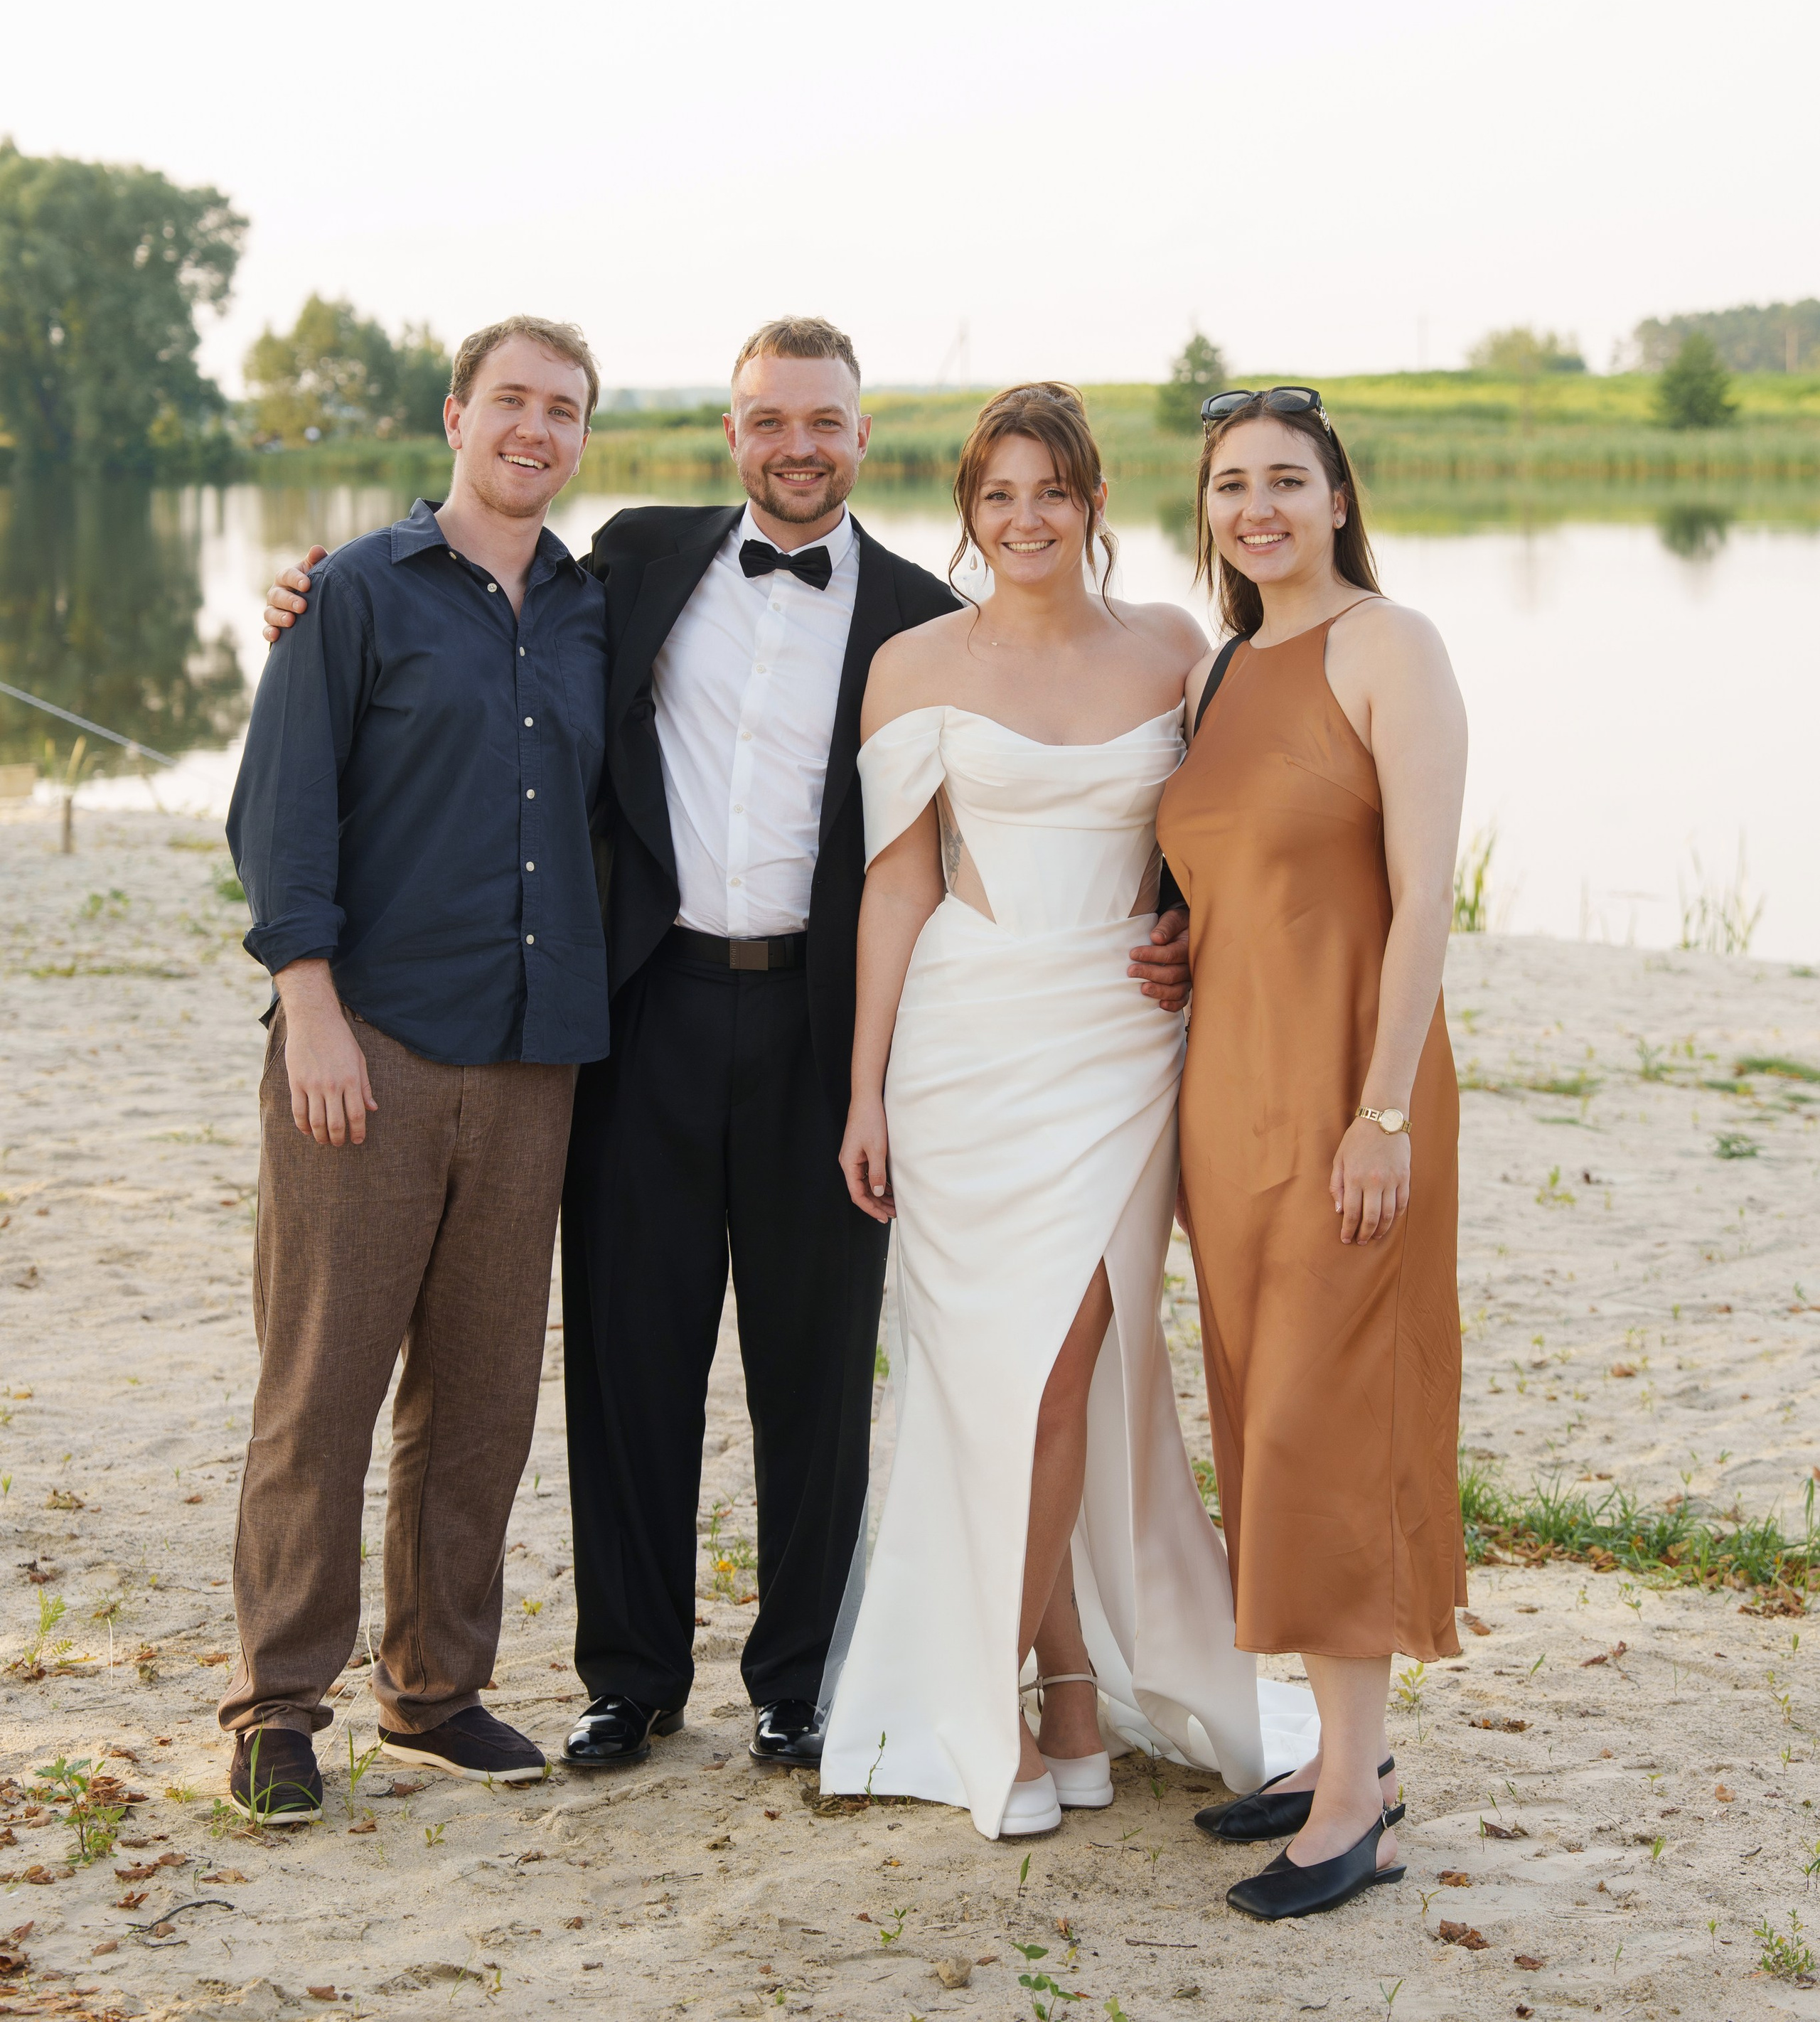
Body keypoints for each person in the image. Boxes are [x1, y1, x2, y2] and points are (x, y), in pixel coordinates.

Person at [262, 318, 1201, 1775]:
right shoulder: (631, 560)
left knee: (814, 1366)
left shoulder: (913, 615)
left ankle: (800, 1679)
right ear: (731, 432)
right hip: (638, 1010)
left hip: (829, 1024)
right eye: (769, 420)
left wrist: (1174, 916)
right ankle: (628, 1679)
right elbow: (468, 579)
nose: (796, 447)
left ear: (863, 439)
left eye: (822, 421)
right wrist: (316, 595)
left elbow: (1074, 793)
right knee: (628, 1353)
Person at [818, 385, 1313, 1840]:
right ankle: (1057, 1680)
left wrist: (1180, 923)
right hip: (965, 1044)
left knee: (1074, 1362)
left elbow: (1221, 831)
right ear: (967, 514)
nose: (1023, 519)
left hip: (1118, 1042)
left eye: (1050, 492)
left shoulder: (1171, 645)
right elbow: (897, 882)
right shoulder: (912, 665)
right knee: (996, 1379)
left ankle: (1062, 1681)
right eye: (994, 496)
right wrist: (862, 1087)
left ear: (1094, 503)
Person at [220, 316, 609, 1822]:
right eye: (509, 399)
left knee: (482, 1396)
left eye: (562, 409)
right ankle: (276, 1705)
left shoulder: (594, 605)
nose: (534, 427)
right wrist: (306, 1004)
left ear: (582, 438)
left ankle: (435, 1692)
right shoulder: (357, 592)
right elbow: (280, 810)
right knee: (319, 1383)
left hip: (534, 1054)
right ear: (454, 414)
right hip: (365, 1042)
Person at [1156, 385, 1467, 1921]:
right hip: (1227, 1102)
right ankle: (1334, 1753)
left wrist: (1384, 1106)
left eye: (1286, 478)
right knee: (1257, 1411)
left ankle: (1353, 1800)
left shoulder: (1384, 646)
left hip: (1354, 1093)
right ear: (1205, 510)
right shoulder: (1224, 663)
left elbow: (1420, 900)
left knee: (1326, 1424)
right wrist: (1174, 945)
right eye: (1229, 484)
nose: (1256, 506)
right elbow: (1231, 876)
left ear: (1337, 496)